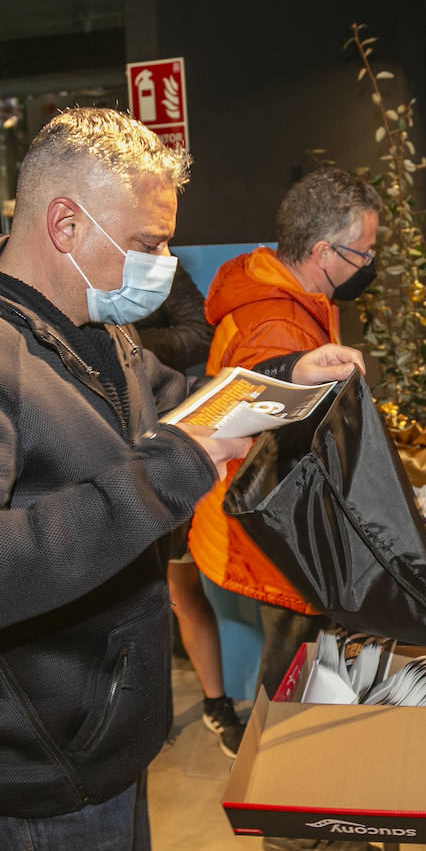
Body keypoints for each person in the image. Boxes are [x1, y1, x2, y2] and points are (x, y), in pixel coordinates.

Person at [0, 107, 363, 851]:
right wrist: (163, 477)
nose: (163, 266)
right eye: (147, 244)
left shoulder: (90, 325)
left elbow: (182, 406)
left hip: (101, 734)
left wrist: (282, 384)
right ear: (65, 222)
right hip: (38, 761)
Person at [188, 166, 383, 851]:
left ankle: (294, 796)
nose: (368, 265)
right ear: (325, 251)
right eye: (363, 252)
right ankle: (290, 821)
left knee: (294, 661)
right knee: (292, 666)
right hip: (267, 527)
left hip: (264, 519)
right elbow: (251, 430)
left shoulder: (277, 289)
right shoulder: (274, 318)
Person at [133, 268, 245, 758]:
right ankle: (136, 715)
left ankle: (216, 703)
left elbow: (198, 335)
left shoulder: (158, 267)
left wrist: (125, 342)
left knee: (183, 589)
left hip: (171, 448)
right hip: (105, 461)